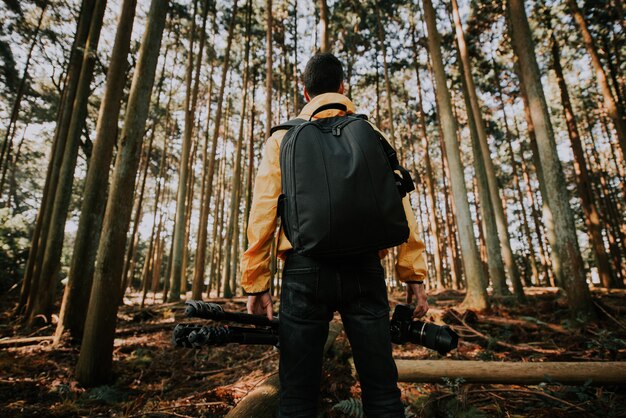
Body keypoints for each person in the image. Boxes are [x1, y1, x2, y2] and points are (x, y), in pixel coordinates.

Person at [240, 52, 429, 418]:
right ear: (343, 88)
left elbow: (263, 212)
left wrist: (256, 283)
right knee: (382, 391)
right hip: (364, 268)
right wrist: (413, 275)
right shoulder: (370, 133)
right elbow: (400, 206)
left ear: (305, 91)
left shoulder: (283, 138)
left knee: (296, 396)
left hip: (304, 271)